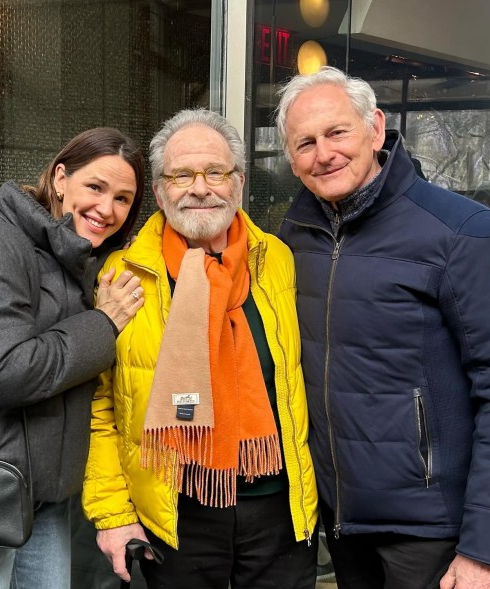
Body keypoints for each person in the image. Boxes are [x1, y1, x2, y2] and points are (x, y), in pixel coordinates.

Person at [274, 66, 490, 589]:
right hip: (343, 524)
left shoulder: (460, 232)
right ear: (292, 160)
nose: (324, 153)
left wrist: (488, 545)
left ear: (374, 128)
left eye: (337, 132)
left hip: (433, 531)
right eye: (305, 142)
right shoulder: (293, 238)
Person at [82, 109, 318, 589]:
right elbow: (96, 407)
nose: (200, 187)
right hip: (173, 514)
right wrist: (112, 516)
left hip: (279, 509)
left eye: (215, 172)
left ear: (238, 182)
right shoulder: (120, 273)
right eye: (181, 174)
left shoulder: (276, 259)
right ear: (159, 191)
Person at [0, 127, 146, 589]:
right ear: (59, 178)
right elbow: (4, 372)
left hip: (46, 502)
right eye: (95, 187)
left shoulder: (76, 265)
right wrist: (105, 325)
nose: (106, 209)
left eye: (123, 198)